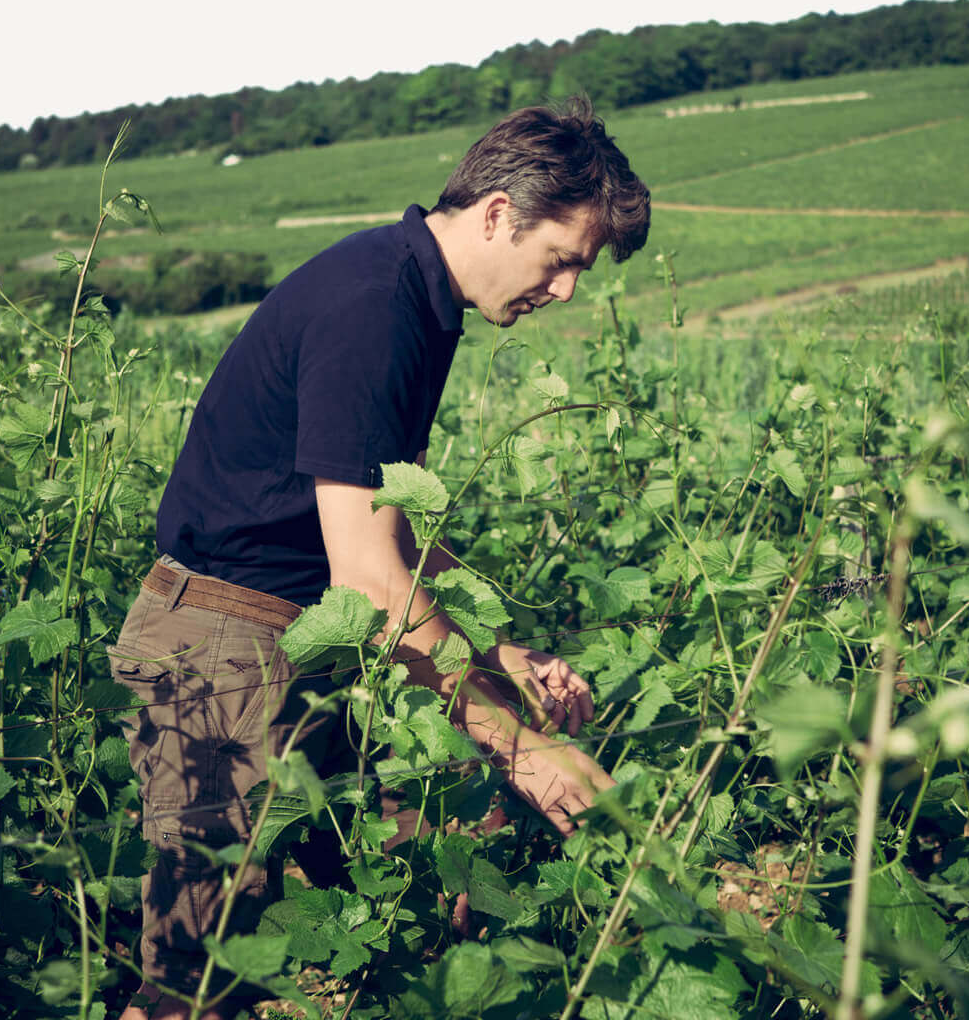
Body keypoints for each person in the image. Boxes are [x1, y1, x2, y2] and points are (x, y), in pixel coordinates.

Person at [108, 96, 650, 1020]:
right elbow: (369, 577)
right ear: (497, 214)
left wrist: (493, 652)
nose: (565, 292)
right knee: (202, 976)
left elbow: (380, 520)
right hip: (224, 648)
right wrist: (522, 747)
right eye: (562, 261)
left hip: (308, 638)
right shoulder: (374, 308)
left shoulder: (415, 296)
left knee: (409, 875)